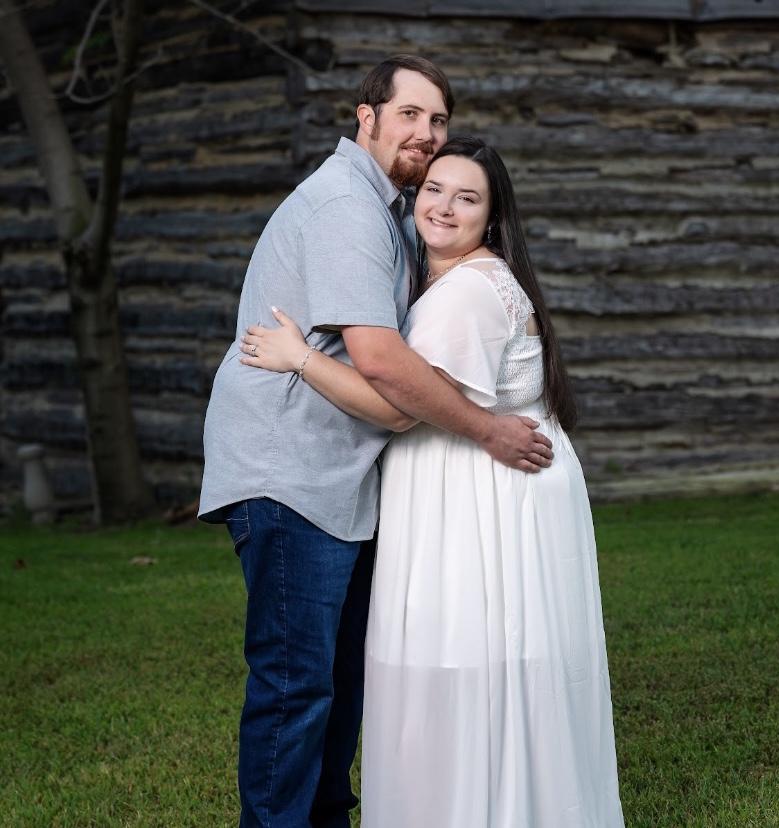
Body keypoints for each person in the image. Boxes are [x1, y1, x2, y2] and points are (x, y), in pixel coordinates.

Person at [198, 56, 553, 828]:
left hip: (338, 476)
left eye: (438, 120)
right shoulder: (346, 207)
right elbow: (385, 365)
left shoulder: (390, 205)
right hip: (291, 472)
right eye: (409, 114)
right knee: (296, 685)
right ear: (367, 117)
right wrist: (488, 429)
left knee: (337, 681)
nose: (426, 133)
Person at [239, 137, 626, 826]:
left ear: (492, 215)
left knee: (461, 665)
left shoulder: (465, 295)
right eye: (435, 190)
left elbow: (397, 406)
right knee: (498, 665)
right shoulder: (459, 282)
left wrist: (301, 358)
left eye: (466, 197)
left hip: (477, 501)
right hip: (488, 490)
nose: (443, 207)